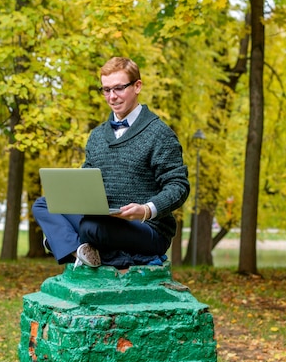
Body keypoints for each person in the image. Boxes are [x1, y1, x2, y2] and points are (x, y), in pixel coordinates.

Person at [32, 56, 190, 268]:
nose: (112, 97)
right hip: (104, 217)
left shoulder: (159, 134)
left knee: (90, 228)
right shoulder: (97, 136)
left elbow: (178, 185)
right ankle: (78, 250)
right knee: (43, 204)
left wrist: (146, 209)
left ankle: (62, 242)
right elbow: (85, 183)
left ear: (137, 86)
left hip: (147, 228)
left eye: (118, 88)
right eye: (106, 90)